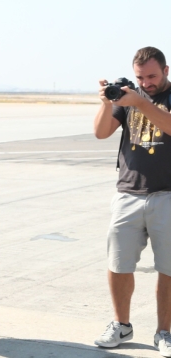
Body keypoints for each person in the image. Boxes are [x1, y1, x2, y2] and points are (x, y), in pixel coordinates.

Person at [93, 46, 171, 357]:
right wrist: (107, 103)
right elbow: (101, 133)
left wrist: (140, 102)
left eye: (152, 76)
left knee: (168, 267)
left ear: (166, 70)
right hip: (128, 193)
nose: (146, 83)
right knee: (118, 263)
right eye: (140, 78)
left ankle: (164, 332)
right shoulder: (128, 98)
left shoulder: (144, 98)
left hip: (167, 194)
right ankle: (121, 324)